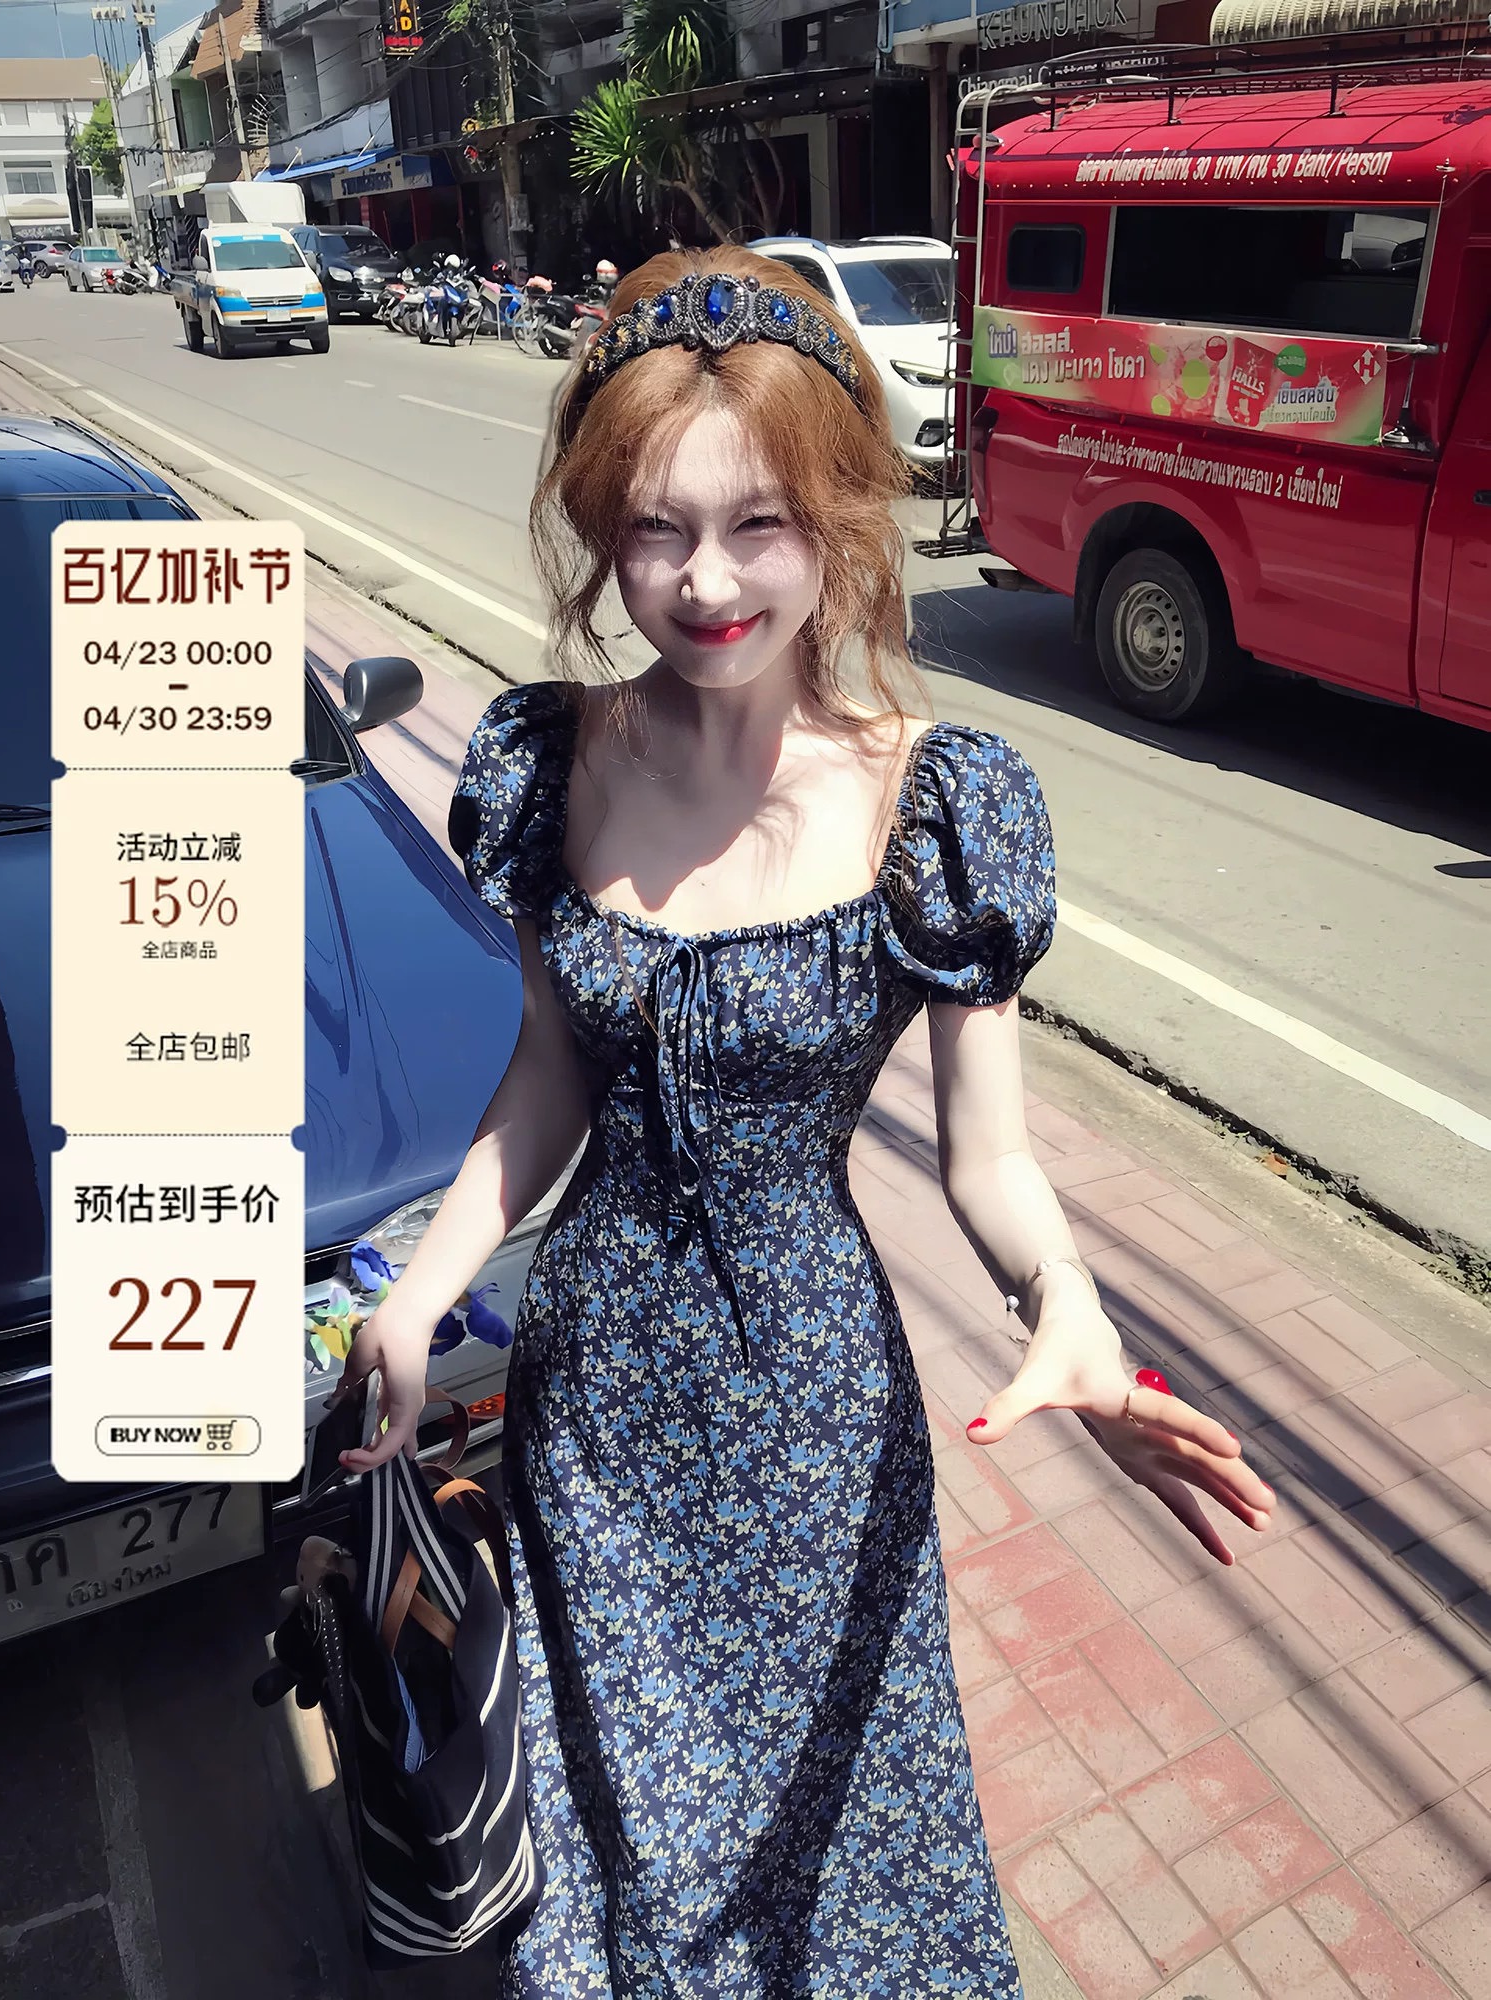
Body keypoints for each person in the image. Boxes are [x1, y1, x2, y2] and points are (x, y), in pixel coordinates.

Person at [331, 245, 1273, 1995]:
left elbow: (990, 1155)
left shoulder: (938, 804)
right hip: (597, 1406)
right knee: (626, 1852)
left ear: (838, 517)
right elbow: (547, 1077)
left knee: (832, 1854)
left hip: (820, 1423)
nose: (704, 581)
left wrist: (1069, 1308)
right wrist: (423, 1291)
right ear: (603, 531)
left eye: (757, 523)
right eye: (656, 529)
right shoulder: (546, 764)